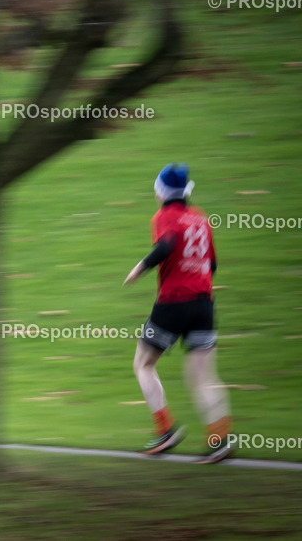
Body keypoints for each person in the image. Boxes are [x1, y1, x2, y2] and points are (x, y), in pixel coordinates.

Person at [123, 163, 233, 464]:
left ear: (160, 192)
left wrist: (140, 268)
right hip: (204, 304)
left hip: (173, 302)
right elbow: (212, 265)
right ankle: (220, 440)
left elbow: (167, 244)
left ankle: (165, 431)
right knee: (204, 377)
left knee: (143, 364)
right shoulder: (200, 219)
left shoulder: (164, 216)